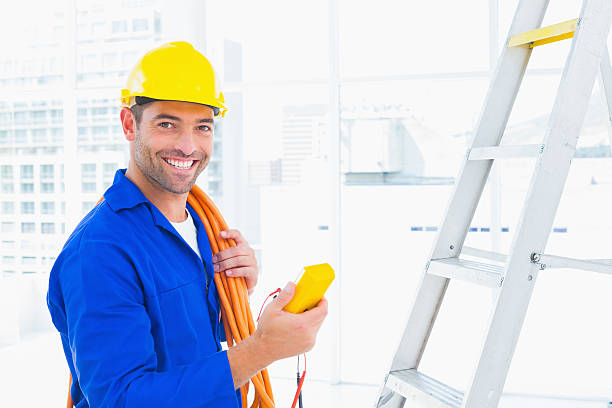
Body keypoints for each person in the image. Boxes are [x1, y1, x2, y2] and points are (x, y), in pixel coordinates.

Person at [46, 41, 328, 408]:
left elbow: (185, 341)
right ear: (129, 124)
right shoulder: (99, 253)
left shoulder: (199, 228)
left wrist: (237, 298)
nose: (188, 145)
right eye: (167, 124)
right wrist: (263, 349)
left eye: (203, 127)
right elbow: (120, 400)